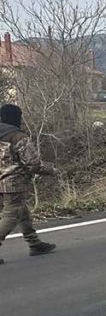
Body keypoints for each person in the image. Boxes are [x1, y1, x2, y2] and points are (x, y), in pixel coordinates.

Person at [0, 103, 56, 264]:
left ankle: (34, 243)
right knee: (10, 216)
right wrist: (51, 170)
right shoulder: (17, 136)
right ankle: (34, 244)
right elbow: (32, 163)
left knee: (22, 213)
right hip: (13, 184)